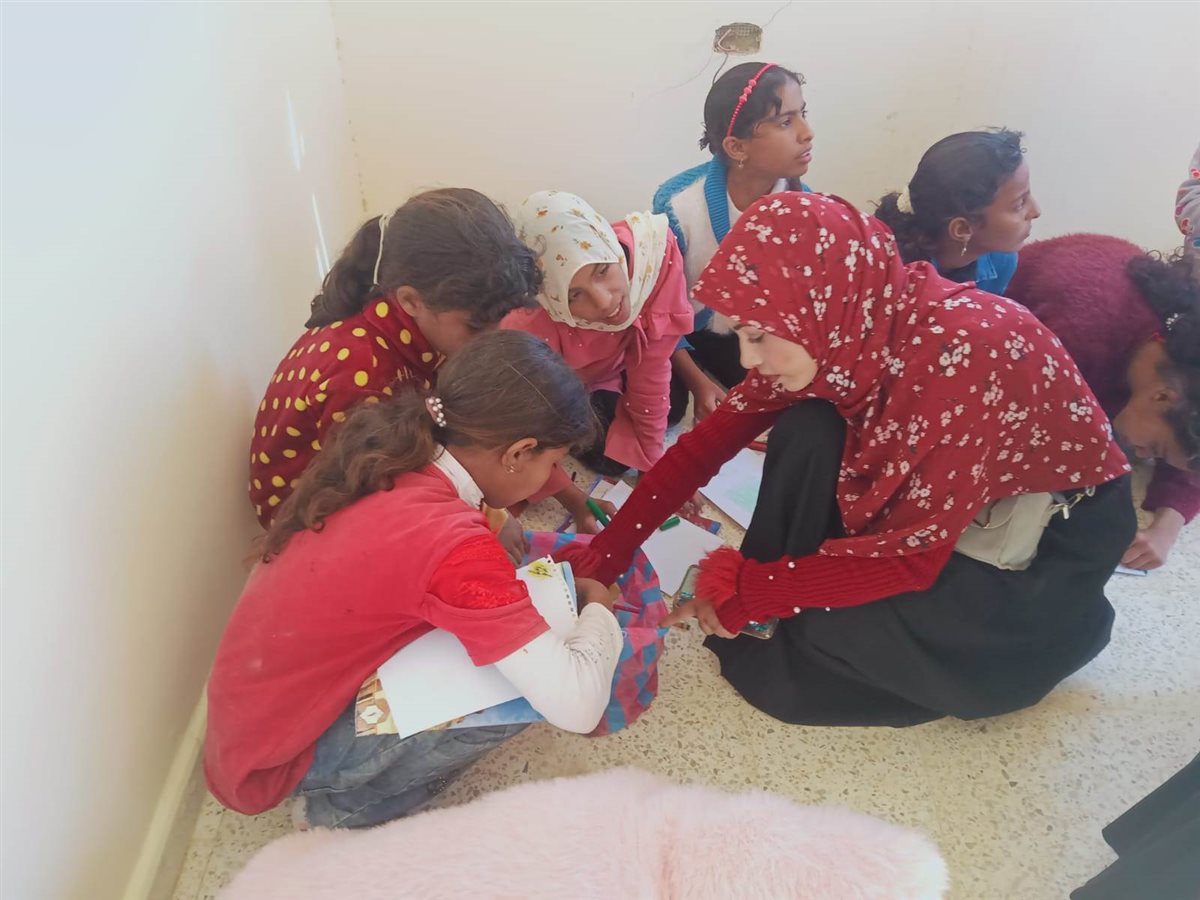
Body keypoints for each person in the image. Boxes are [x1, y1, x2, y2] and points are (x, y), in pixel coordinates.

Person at [559, 192, 1131, 728]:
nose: (747, 360)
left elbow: (913, 562)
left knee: (829, 631)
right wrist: (605, 556)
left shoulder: (959, 358)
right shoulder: (839, 323)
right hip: (946, 495)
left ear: (819, 308)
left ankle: (1061, 634)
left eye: (758, 336)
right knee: (809, 425)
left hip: (1044, 542)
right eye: (741, 334)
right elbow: (702, 448)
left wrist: (753, 591)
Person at [206, 331, 624, 828]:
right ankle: (344, 814)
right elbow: (578, 707)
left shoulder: (397, 455)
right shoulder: (450, 541)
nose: (551, 475)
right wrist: (599, 608)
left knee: (503, 645)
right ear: (518, 452)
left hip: (253, 724)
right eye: (552, 463)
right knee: (519, 693)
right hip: (283, 758)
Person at [248, 188, 540, 529]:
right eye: (476, 326)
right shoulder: (363, 375)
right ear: (411, 301)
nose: (490, 337)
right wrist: (487, 516)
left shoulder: (403, 324)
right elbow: (378, 492)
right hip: (311, 520)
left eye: (500, 318)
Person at [1007, 234, 1200, 568]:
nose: (1142, 455)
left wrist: (1165, 529)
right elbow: (1014, 441)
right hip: (1005, 379)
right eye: (1155, 448)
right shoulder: (1079, 337)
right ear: (1161, 396)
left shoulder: (1178, 370)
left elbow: (1188, 450)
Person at [503, 191, 692, 521]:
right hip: (572, 386)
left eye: (603, 270)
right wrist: (573, 498)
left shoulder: (653, 255)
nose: (605, 303)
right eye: (575, 295)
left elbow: (652, 362)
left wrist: (652, 467)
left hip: (620, 361)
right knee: (611, 460)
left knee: (672, 407)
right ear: (551, 298)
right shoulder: (528, 325)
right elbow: (521, 426)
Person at [653, 62, 814, 419]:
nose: (807, 133)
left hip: (752, 337)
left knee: (791, 403)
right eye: (785, 122)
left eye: (802, 114)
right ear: (736, 147)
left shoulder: (807, 211)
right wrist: (698, 383)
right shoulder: (678, 205)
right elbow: (659, 309)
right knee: (669, 407)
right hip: (687, 336)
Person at [874, 129, 1040, 295]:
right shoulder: (890, 274)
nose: (1036, 211)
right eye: (1019, 204)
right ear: (962, 229)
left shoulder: (1002, 261)